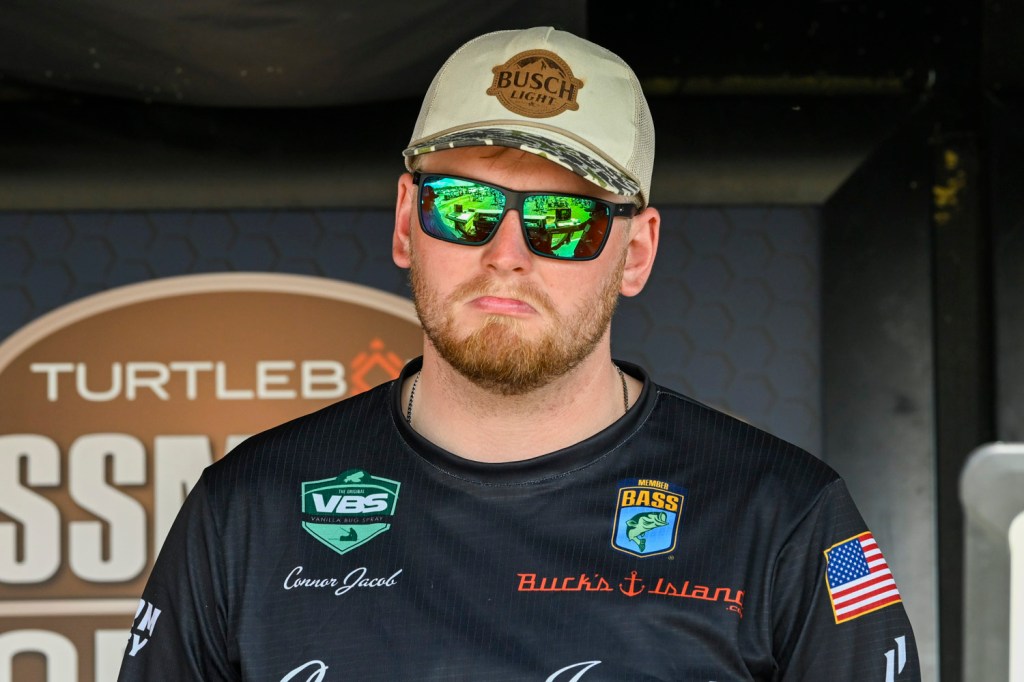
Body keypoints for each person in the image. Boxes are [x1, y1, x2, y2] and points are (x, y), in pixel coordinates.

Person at [119, 27, 920, 681]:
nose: (506, 253)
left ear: (636, 252)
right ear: (406, 221)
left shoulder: (789, 518)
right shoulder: (244, 510)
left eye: (563, 221)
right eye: (464, 206)